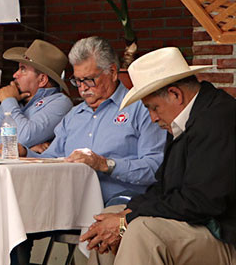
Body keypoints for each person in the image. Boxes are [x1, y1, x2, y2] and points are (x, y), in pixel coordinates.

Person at [83, 47, 236, 265]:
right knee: (110, 216)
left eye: (153, 108)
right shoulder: (185, 118)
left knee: (141, 232)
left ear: (175, 94)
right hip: (200, 223)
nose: (153, 118)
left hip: (225, 236)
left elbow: (202, 202)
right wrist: (127, 213)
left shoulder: (218, 119)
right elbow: (165, 186)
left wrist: (128, 220)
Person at [23, 36, 165, 205]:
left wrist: (106, 165)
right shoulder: (74, 116)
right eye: (77, 81)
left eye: (89, 79)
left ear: (112, 72)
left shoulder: (141, 109)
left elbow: (155, 168)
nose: (82, 88)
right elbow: (52, 160)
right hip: (71, 206)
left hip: (121, 206)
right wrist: (25, 154)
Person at [0, 39, 73, 155]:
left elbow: (25, 136)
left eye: (23, 69)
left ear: (42, 79)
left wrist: (8, 100)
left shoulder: (60, 103)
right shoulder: (15, 98)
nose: (15, 75)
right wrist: (21, 149)